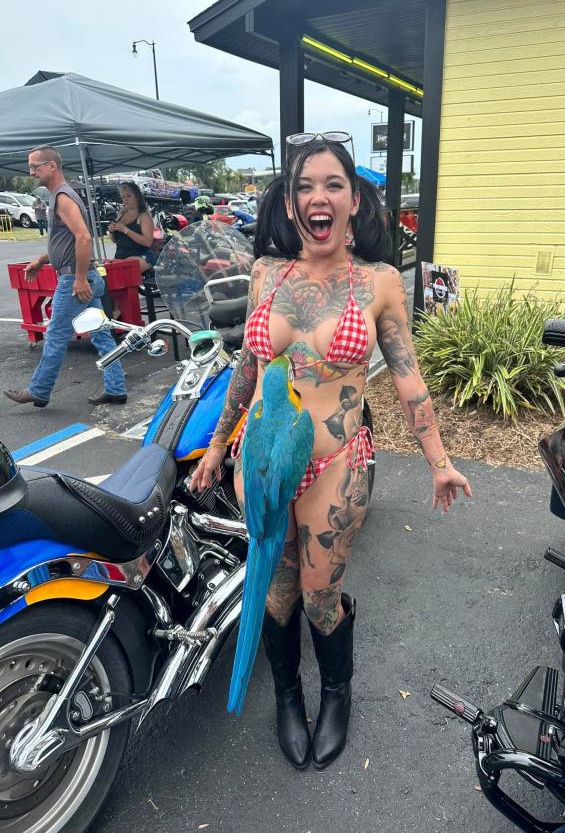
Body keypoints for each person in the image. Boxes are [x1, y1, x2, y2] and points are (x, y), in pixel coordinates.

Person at [190, 131, 472, 770]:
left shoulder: (379, 282)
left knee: (320, 593)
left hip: (336, 467)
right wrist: (216, 446)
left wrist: (440, 461)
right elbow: (247, 366)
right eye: (305, 186)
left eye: (333, 185)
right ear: (292, 202)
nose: (319, 196)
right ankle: (288, 697)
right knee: (276, 591)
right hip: (262, 462)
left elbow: (407, 377)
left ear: (354, 201)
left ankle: (336, 695)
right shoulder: (267, 273)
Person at [3, 146, 127, 408]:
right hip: (83, 277)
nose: (31, 172)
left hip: (75, 280)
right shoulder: (60, 195)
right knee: (101, 335)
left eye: (35, 167)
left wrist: (79, 279)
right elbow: (66, 242)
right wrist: (42, 259)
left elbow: (83, 238)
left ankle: (39, 390)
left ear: (52, 166)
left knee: (56, 336)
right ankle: (116, 388)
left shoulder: (62, 197)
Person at [108, 182, 155, 274]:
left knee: (125, 270)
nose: (125, 199)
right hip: (120, 257)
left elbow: (148, 242)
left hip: (140, 256)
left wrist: (126, 230)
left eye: (128, 196)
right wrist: (112, 231)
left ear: (137, 197)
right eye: (123, 197)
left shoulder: (144, 216)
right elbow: (114, 240)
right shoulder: (121, 214)